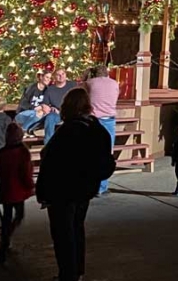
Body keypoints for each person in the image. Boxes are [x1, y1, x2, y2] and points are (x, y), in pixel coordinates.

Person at [36, 87, 115, 281]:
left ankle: (67, 274)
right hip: (85, 189)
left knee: (63, 234)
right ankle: (77, 271)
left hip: (64, 190)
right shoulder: (98, 129)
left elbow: (51, 162)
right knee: (77, 229)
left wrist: (44, 192)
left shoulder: (69, 130)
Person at [0, 122, 34, 265]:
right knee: (19, 215)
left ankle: (5, 240)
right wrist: (31, 186)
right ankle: (6, 239)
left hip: (5, 191)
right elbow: (25, 173)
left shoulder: (1, 153)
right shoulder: (22, 153)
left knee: (7, 216)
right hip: (17, 191)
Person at [84, 65, 119, 196]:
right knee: (107, 152)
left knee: (91, 152)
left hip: (94, 120)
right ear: (107, 73)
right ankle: (102, 187)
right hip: (109, 120)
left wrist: (85, 76)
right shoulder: (115, 83)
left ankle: (90, 185)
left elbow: (80, 93)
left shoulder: (90, 83)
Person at [41, 69, 77, 144]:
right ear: (54, 77)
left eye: (63, 74)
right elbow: (45, 104)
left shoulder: (73, 85)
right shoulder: (50, 90)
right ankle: (48, 145)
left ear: (66, 75)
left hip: (72, 113)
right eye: (58, 75)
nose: (61, 76)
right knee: (50, 117)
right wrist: (50, 108)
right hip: (57, 114)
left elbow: (79, 100)